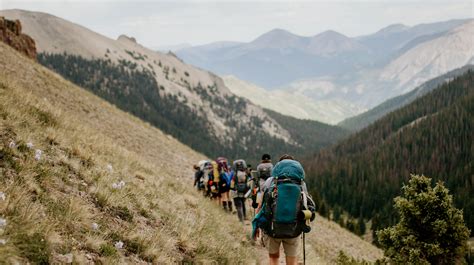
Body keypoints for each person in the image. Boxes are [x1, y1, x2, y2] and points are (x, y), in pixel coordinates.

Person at [252, 154, 316, 265]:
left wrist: (256, 224)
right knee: (292, 260)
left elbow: (262, 204)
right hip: (294, 229)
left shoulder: (270, 181)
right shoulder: (301, 183)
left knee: (274, 258)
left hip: (273, 228)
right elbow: (305, 205)